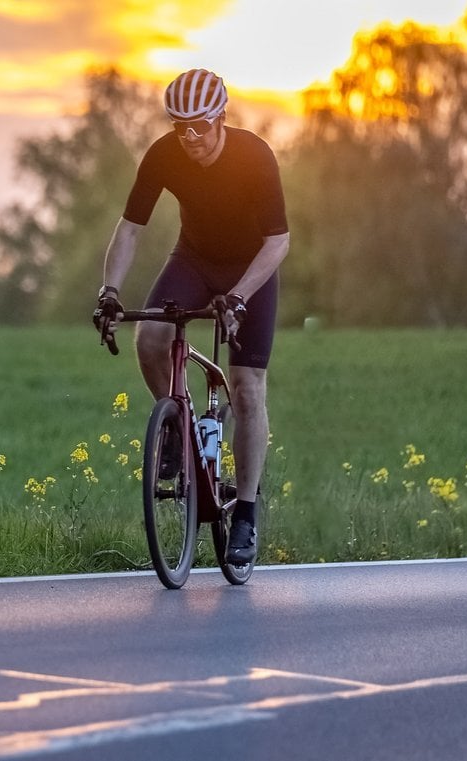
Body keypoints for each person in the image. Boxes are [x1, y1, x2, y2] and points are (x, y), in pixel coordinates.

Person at [94, 68, 290, 565]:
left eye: (200, 126)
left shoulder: (254, 156)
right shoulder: (164, 154)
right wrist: (109, 291)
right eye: (180, 126)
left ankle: (245, 513)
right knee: (149, 339)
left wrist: (240, 297)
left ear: (221, 117)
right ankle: (178, 427)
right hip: (194, 260)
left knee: (247, 387)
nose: (190, 137)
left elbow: (277, 242)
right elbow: (131, 227)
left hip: (252, 269)